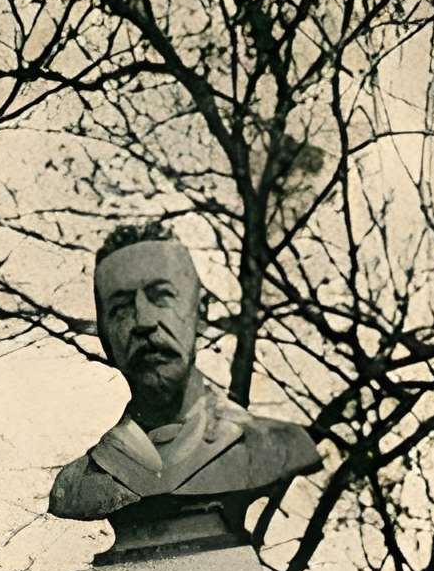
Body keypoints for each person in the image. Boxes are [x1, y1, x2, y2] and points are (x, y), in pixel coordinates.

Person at [49, 223, 321, 527]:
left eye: (161, 296)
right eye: (121, 307)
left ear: (201, 314)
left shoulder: (275, 444)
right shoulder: (82, 480)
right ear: (104, 336)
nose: (144, 321)